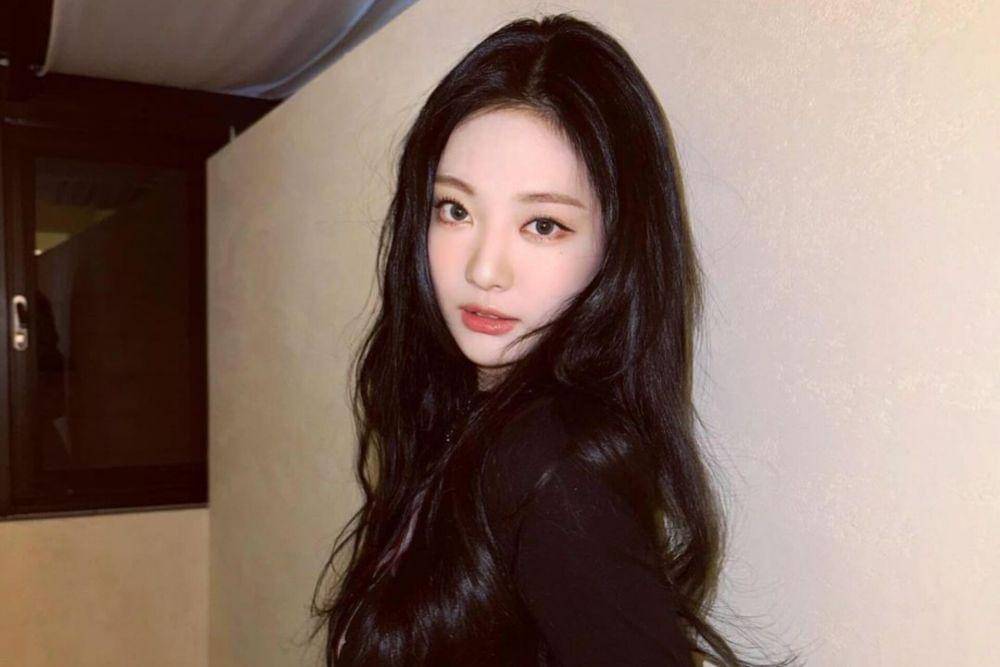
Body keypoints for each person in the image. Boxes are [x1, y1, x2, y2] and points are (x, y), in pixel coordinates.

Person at [309, 13, 798, 667]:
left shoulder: (553, 469)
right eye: (455, 209)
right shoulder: (459, 414)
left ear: (616, 244)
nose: (484, 269)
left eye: (542, 224)